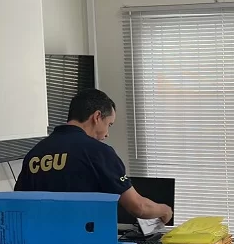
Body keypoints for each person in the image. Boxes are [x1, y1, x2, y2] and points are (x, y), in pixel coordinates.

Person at [14, 88, 172, 224]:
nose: (107, 134)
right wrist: (164, 210)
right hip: (85, 243)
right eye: (109, 124)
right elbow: (138, 207)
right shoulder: (98, 152)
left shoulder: (35, 153)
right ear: (97, 117)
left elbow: (17, 204)